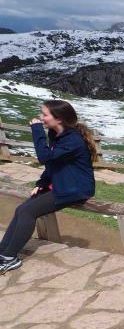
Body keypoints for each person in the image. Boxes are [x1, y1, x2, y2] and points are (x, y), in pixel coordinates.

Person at [0, 100, 97, 274]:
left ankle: (9, 258)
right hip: (62, 183)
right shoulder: (56, 134)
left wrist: (37, 130)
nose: (41, 117)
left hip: (76, 188)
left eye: (45, 115)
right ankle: (3, 253)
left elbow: (45, 157)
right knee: (22, 209)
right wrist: (42, 183)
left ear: (59, 119)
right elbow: (53, 163)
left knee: (28, 212)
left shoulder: (73, 140)